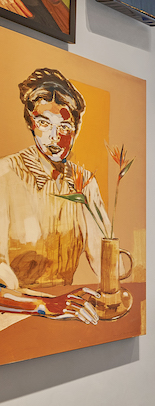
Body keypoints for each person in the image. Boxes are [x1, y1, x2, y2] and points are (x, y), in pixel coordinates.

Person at [0, 68, 106, 323]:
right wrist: (46, 305)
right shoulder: (5, 174)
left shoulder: (84, 182)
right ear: (31, 124)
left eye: (65, 126)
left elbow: (105, 262)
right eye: (44, 123)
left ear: (76, 129)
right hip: (13, 317)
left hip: (67, 313)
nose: (54, 137)